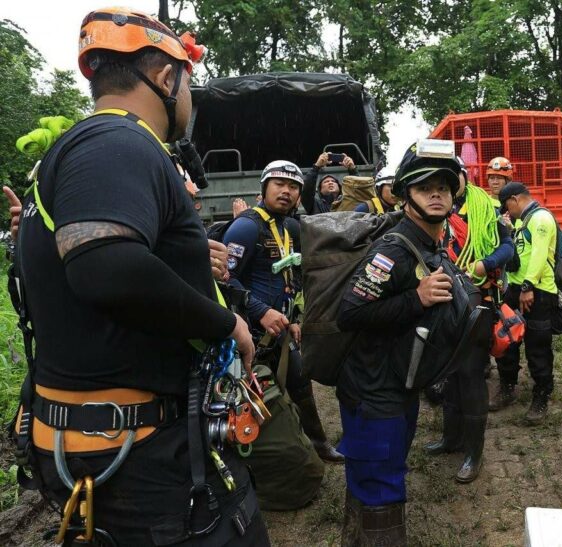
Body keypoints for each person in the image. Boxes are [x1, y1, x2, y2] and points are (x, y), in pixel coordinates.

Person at [11, 8, 268, 545]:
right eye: (190, 86)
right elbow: (107, 267)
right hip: (141, 461)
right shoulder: (118, 142)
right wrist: (227, 324)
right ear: (168, 78)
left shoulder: (80, 154)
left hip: (101, 447)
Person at [335, 143, 462, 545]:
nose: (437, 193)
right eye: (425, 187)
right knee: (381, 488)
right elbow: (349, 314)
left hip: (399, 384)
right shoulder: (393, 249)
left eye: (443, 185)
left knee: (378, 477)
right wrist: (417, 298)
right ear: (407, 195)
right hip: (373, 393)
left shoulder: (431, 242)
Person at [222, 160, 343, 463]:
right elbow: (224, 280)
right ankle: (253, 460)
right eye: (280, 184)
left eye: (293, 187)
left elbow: (295, 277)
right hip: (249, 334)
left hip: (283, 330)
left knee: (300, 382)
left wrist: (297, 319)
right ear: (264, 188)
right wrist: (261, 311)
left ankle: (317, 445)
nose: (286, 191)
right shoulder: (247, 226)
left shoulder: (290, 227)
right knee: (249, 397)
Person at [425, 157, 513, 482]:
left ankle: (474, 453)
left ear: (463, 176)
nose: (443, 184)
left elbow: (509, 248)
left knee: (471, 373)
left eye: (451, 176)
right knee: (447, 372)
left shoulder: (486, 209)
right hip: (440, 301)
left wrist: (484, 263)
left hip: (477, 301)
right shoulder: (430, 210)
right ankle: (451, 439)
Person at [491, 182, 559, 424]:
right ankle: (507, 388)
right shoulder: (522, 222)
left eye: (506, 205)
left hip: (537, 291)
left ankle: (541, 398)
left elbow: (540, 254)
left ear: (516, 198)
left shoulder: (540, 218)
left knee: (537, 347)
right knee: (506, 340)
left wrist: (528, 286)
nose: (506, 211)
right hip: (516, 290)